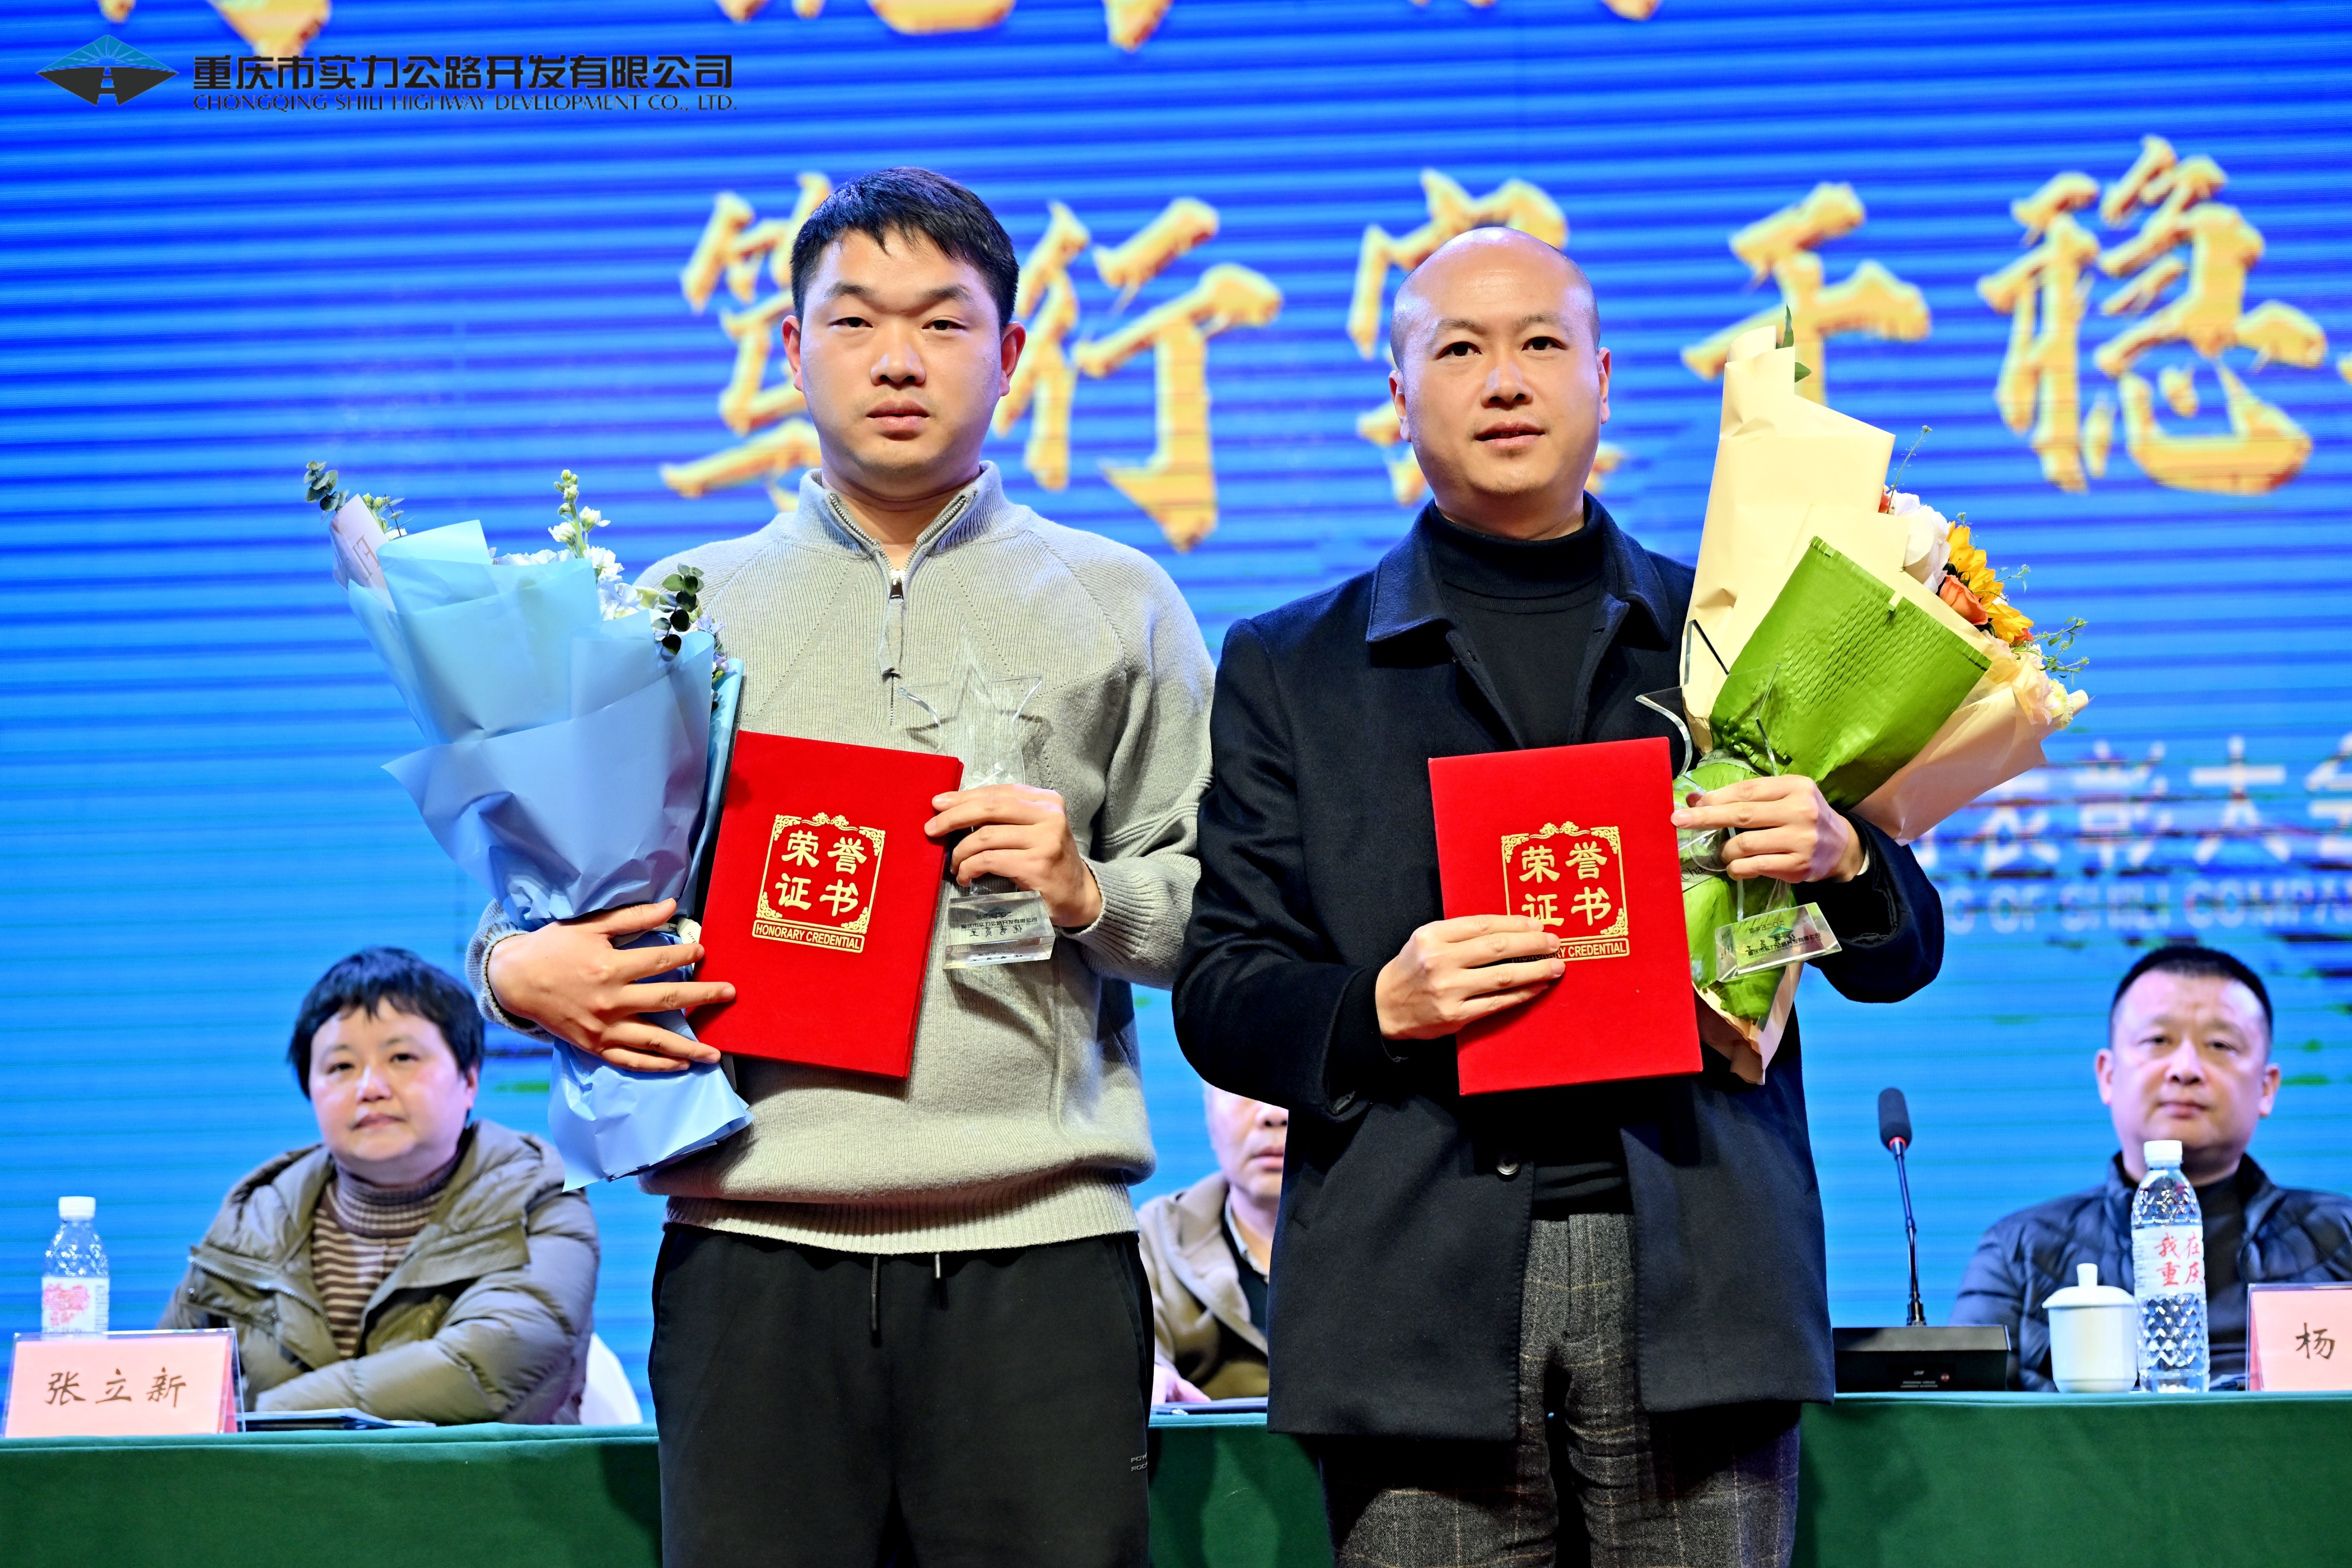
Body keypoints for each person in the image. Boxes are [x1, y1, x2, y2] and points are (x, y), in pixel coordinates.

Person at [471, 168, 1212, 1568]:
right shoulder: (676, 610)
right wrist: (513, 970)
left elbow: (1217, 908)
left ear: (1012, 350)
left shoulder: (1122, 602)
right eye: (855, 319)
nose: (896, 359)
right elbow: (539, 897)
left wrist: (1089, 894)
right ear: (791, 346)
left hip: (1040, 1252)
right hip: (752, 1250)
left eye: (942, 321)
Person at [1174, 226, 1943, 1568]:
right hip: (1417, 1290)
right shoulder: (1292, 666)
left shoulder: (1735, 633)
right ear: (1398, 393)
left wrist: (1844, 857)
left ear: (1603, 375)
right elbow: (1221, 989)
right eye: (1459, 349)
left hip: (1700, 1268)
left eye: (1540, 342)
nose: (1505, 379)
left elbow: (1903, 953)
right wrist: (1379, 1004)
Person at [161, 948, 598, 1423]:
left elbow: (488, 1359)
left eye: (402, 1057)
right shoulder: (253, 1221)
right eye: (341, 1067)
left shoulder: (536, 1196)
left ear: (469, 1079)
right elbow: (162, 1391)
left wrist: (261, 1420)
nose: (370, 1087)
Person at [1954, 944, 2352, 1389]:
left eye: (2220, 1045)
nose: (2186, 1069)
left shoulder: (2343, 1237)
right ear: (2108, 1075)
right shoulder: (2019, 1253)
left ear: (2266, 1087)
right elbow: (1962, 1415)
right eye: (2158, 1041)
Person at [1138, 1086, 1287, 1403]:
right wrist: (1149, 1376)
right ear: (1209, 1113)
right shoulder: (1153, 1238)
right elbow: (1139, 1357)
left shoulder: (1390, 1237)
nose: (1274, 1114)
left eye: (1299, 1082)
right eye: (1245, 1084)